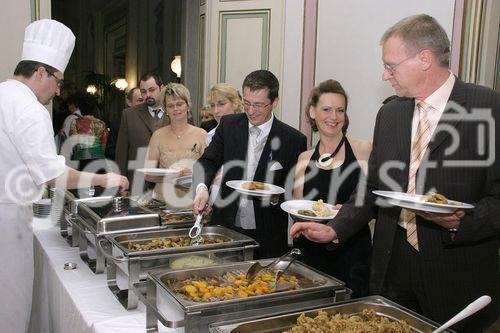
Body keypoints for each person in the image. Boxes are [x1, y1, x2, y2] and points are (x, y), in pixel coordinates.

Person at [290, 14, 499, 332]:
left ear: (424, 59)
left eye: (391, 66)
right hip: (393, 266)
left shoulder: (489, 107)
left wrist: (463, 221)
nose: (385, 75)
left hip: (457, 270)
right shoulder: (390, 114)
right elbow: (372, 186)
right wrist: (335, 228)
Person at [0, 19, 128, 333]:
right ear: (41, 71)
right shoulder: (30, 109)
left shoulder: (3, 93)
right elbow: (53, 177)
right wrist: (103, 179)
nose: (58, 90)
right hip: (7, 222)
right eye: (57, 80)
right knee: (10, 308)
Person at [193, 70, 307, 259]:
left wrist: (276, 198)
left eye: (258, 105)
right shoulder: (228, 126)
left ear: (275, 102)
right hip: (226, 227)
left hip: (268, 233)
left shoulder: (293, 139)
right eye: (246, 103)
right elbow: (207, 162)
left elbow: (294, 189)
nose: (251, 111)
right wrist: (202, 188)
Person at [293, 79, 372, 298]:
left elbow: (373, 201)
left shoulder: (363, 149)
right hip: (312, 253)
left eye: (340, 110)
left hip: (352, 253)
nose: (334, 117)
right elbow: (298, 209)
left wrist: (344, 213)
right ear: (312, 111)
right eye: (326, 109)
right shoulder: (304, 158)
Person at [145, 83, 206, 207]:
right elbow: (147, 174)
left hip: (193, 202)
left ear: (188, 105)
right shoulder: (157, 136)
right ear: (165, 110)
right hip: (162, 203)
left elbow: (210, 170)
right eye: (170, 106)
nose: (176, 109)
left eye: (179, 104)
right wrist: (169, 176)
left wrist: (195, 175)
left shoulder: (201, 134)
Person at [116, 73, 169, 183]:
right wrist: (121, 183)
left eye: (152, 90)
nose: (148, 95)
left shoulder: (177, 111)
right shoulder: (129, 115)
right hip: (137, 182)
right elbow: (121, 153)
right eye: (143, 92)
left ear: (162, 88)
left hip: (169, 183)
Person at [106, 87, 144, 160]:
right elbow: (109, 152)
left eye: (145, 101)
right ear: (129, 102)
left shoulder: (153, 121)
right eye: (140, 100)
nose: (143, 104)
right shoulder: (118, 124)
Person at [68, 101, 108, 171]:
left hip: (81, 158)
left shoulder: (75, 122)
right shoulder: (101, 123)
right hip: (98, 157)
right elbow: (104, 143)